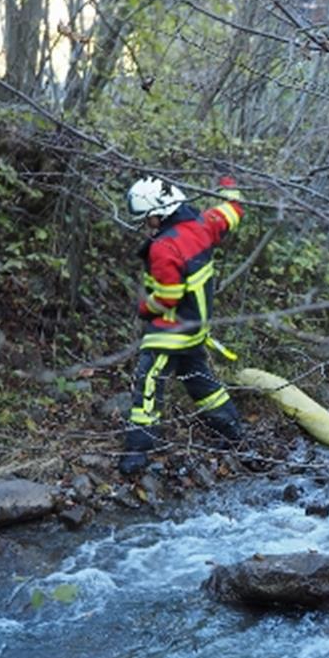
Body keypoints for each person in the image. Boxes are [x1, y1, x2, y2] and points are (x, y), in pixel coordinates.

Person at [118, 175, 245, 476]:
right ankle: (233, 433)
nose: (147, 224)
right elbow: (235, 209)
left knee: (148, 381)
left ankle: (137, 451)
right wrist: (228, 184)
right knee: (199, 380)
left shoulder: (163, 246)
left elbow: (169, 295)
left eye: (147, 218)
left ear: (159, 211)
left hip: (170, 332)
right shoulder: (205, 224)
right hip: (196, 328)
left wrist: (145, 308)